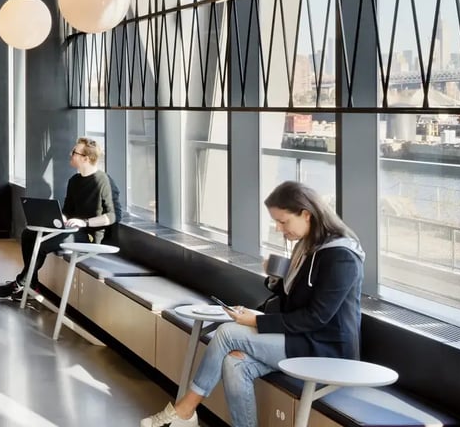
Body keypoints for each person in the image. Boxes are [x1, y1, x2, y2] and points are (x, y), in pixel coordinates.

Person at [141, 181, 364, 427]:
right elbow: (295, 300)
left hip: (326, 348)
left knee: (227, 334)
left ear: (306, 214)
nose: (279, 229)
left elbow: (316, 317)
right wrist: (275, 279)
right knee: (234, 363)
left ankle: (185, 410)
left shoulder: (342, 256)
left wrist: (257, 321)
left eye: (283, 221)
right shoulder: (308, 246)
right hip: (301, 338)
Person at [0, 138, 119, 302]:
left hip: (88, 236)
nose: (70, 154)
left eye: (74, 152)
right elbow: (67, 211)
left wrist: (85, 222)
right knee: (28, 234)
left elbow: (113, 216)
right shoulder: (74, 181)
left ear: (85, 158)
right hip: (72, 229)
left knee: (42, 244)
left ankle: (21, 282)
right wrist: (62, 218)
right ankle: (32, 284)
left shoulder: (104, 181)